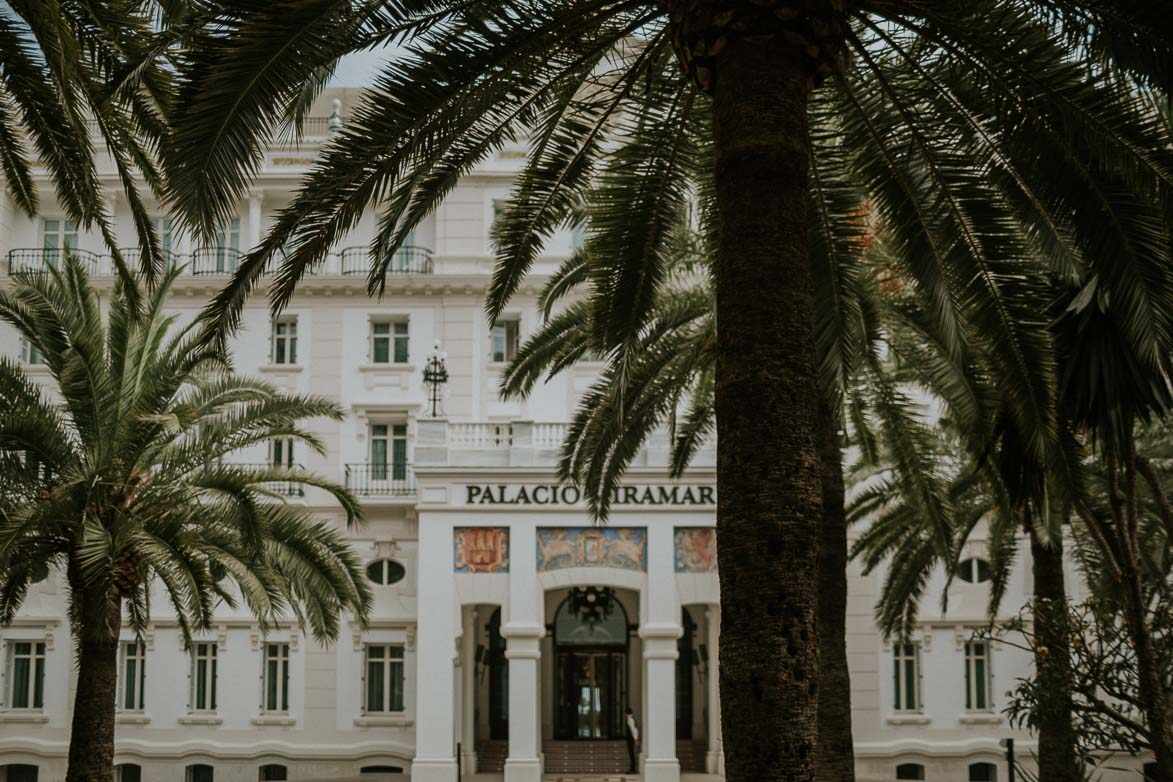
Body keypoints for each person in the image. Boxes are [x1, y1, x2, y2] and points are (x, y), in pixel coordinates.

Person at [624, 706, 639, 774]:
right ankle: (632, 768)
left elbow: (634, 730)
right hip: (631, 739)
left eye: (625, 713)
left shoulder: (630, 719)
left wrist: (635, 739)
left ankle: (633, 769)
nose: (624, 715)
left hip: (631, 739)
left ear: (627, 713)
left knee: (632, 754)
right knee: (631, 754)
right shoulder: (630, 719)